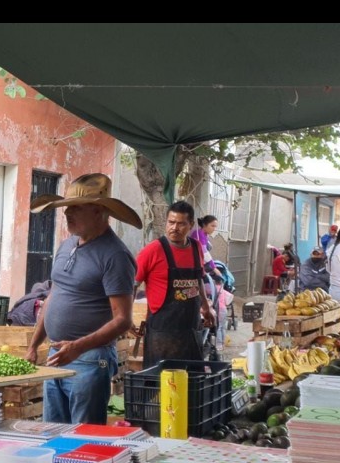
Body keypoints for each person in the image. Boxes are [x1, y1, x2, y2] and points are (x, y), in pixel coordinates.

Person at [25, 173, 141, 425]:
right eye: (66, 207)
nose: (67, 213)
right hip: (56, 355)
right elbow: (53, 296)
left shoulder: (115, 255)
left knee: (82, 437)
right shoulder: (67, 245)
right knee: (52, 433)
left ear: (99, 211)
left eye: (76, 207)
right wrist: (34, 345)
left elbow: (122, 320)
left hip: (90, 360)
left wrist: (77, 346)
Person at [135, 200, 217, 368]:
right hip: (162, 331)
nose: (175, 228)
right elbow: (132, 285)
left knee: (191, 377)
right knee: (162, 379)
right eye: (171, 222)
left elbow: (198, 279)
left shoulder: (196, 247)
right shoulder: (152, 250)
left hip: (191, 328)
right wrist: (126, 317)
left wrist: (205, 307)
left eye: (181, 224)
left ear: (191, 225)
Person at [191, 215, 223, 281]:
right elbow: (204, 252)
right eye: (212, 226)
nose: (214, 229)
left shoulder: (204, 235)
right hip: (194, 265)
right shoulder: (199, 234)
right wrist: (214, 268)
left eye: (215, 226)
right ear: (204, 225)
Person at [214, 275, 234, 353]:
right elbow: (231, 296)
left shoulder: (214, 288)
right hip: (224, 309)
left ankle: (219, 345)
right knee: (222, 327)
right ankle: (223, 344)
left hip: (218, 309)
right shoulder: (222, 289)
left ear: (215, 281)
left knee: (218, 327)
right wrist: (225, 303)